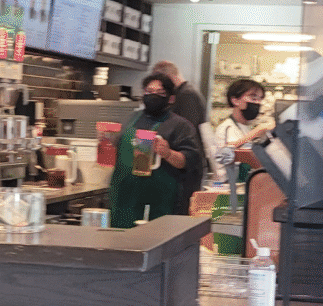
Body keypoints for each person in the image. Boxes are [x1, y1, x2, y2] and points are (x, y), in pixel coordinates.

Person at [108, 73, 201, 228]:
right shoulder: (131, 119)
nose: (153, 96)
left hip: (159, 203)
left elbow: (188, 161)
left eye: (159, 93)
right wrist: (107, 140)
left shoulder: (180, 126)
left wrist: (168, 153)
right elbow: (119, 153)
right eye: (149, 92)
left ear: (171, 98)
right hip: (124, 199)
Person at [152, 60, 207, 214]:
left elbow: (185, 133)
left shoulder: (186, 95)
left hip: (186, 171)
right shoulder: (186, 93)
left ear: (169, 77)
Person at [213, 78, 267, 185]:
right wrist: (257, 132)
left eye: (260, 99)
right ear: (235, 100)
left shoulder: (246, 127)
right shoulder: (226, 128)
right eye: (253, 97)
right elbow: (223, 155)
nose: (257, 103)